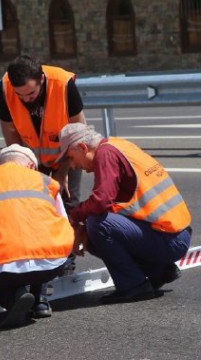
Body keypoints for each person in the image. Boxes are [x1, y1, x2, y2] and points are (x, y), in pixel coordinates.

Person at [56, 123, 193, 304]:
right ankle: (158, 271)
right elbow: (114, 203)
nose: (73, 166)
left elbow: (101, 201)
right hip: (176, 235)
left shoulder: (105, 154)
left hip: (168, 241)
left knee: (97, 225)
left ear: (82, 147)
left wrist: (74, 218)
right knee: (95, 228)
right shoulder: (118, 145)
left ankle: (132, 286)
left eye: (72, 158)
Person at [0, 144, 74, 328]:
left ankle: (13, 298)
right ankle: (40, 300)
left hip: (4, 269)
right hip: (52, 264)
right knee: (43, 246)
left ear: (1, 164)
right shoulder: (46, 181)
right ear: (31, 166)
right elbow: (63, 223)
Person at [0, 55, 86, 210]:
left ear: (42, 80)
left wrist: (63, 171)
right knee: (36, 205)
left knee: (70, 204)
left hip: (68, 154)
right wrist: (19, 168)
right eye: (20, 95)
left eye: (31, 94)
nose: (26, 100)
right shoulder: (5, 89)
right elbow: (11, 135)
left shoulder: (63, 85)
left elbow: (78, 133)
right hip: (33, 158)